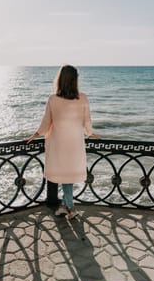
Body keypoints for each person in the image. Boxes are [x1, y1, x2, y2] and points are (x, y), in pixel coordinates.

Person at [26, 65, 100, 219]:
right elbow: (87, 121)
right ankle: (66, 206)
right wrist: (90, 133)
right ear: (75, 80)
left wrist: (36, 134)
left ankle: (70, 207)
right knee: (68, 176)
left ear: (60, 79)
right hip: (74, 143)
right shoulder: (83, 98)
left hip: (59, 143)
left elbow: (46, 121)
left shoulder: (53, 99)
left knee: (63, 175)